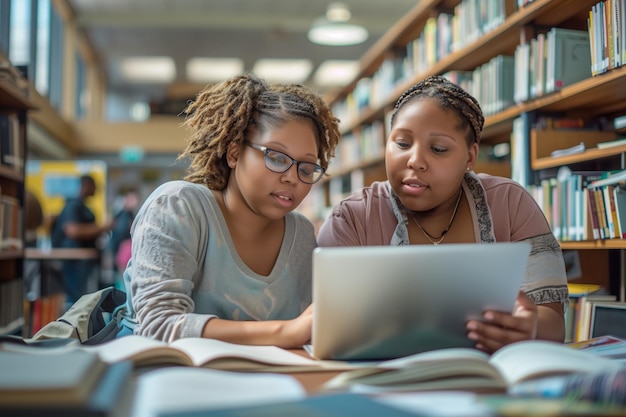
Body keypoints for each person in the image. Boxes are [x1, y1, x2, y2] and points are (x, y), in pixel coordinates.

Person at [317, 75, 569, 354]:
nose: (415, 161)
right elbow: (331, 333)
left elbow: (554, 323)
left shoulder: (510, 203)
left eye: (438, 149)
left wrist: (530, 328)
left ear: (470, 157)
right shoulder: (351, 218)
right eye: (401, 144)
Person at [122, 73, 341, 348]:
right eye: (276, 157)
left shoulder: (301, 233)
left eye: (307, 167)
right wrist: (283, 332)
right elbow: (158, 325)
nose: (292, 177)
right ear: (234, 153)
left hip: (273, 381)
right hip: (170, 379)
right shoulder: (178, 206)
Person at [51, 174, 113, 304]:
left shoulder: (83, 207)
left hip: (83, 260)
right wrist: (102, 227)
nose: (95, 189)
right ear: (86, 185)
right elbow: (73, 231)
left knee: (81, 297)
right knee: (74, 299)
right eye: (94, 186)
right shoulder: (74, 205)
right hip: (74, 260)